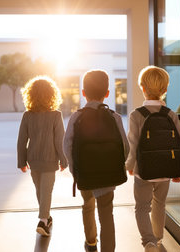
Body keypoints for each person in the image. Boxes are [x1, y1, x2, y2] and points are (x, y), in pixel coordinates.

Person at [64, 70, 129, 252]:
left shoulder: (77, 117)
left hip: (85, 174)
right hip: (108, 175)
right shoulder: (114, 117)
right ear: (107, 93)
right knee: (107, 213)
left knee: (87, 206)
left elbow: (67, 145)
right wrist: (115, 165)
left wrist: (74, 170)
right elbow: (126, 147)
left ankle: (91, 242)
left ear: (84, 92)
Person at [126, 66, 180, 251]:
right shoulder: (171, 114)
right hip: (166, 170)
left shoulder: (136, 114)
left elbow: (133, 143)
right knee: (159, 204)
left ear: (142, 87)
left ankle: (149, 241)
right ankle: (158, 239)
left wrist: (130, 164)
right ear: (165, 89)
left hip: (143, 170)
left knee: (142, 207)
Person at [17, 76, 68, 237]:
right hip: (50, 159)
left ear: (30, 95)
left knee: (40, 191)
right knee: (46, 191)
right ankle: (43, 221)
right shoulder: (55, 115)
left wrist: (21, 162)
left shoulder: (27, 115)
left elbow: (21, 141)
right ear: (52, 95)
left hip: (33, 159)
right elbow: (60, 141)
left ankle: (46, 218)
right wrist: (64, 160)